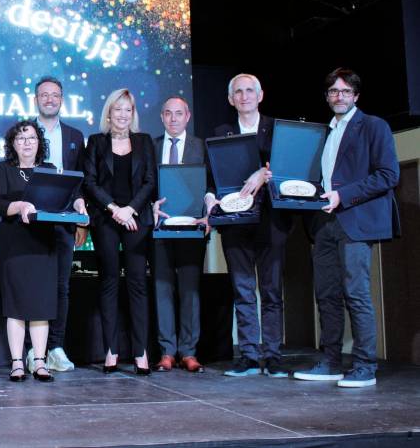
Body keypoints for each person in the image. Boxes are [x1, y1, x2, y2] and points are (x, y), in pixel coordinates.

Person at [293, 68, 399, 388]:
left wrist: (343, 195)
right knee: (326, 294)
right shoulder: (322, 133)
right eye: (333, 92)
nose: (338, 97)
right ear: (327, 97)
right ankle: (331, 361)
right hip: (323, 221)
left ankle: (365, 365)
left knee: (356, 294)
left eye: (344, 91)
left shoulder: (374, 126)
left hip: (356, 220)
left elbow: (388, 175)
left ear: (356, 95)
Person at [205, 73, 291, 378]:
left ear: (260, 94)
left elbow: (291, 168)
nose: (244, 96)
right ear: (230, 99)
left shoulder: (278, 130)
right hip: (236, 223)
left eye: (249, 90)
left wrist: (264, 173)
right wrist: (209, 198)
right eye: (238, 92)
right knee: (242, 291)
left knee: (271, 292)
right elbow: (212, 179)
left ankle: (274, 355)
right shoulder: (221, 133)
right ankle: (250, 356)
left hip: (272, 222)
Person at [0, 120, 87, 382]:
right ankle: (17, 363)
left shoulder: (48, 170)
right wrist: (19, 205)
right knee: (17, 306)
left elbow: (70, 195)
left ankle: (40, 363)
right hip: (16, 245)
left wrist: (80, 204)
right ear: (13, 144)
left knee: (42, 305)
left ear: (39, 142)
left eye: (31, 138)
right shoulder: (3, 170)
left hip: (45, 244)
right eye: (21, 139)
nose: (26, 143)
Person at [83, 88, 156, 375]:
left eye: (129, 109)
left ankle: (140, 352)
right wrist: (115, 209)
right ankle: (111, 350)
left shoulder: (144, 141)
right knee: (110, 283)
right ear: (109, 113)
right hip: (106, 219)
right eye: (118, 109)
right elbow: (90, 182)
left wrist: (131, 210)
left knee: (138, 283)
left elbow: (150, 181)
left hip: (136, 219)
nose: (123, 115)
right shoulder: (96, 142)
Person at [27, 76, 86, 373]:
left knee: (62, 286)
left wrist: (81, 216)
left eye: (55, 95)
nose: (49, 99)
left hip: (64, 221)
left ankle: (56, 347)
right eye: (44, 95)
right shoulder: (25, 131)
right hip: (32, 222)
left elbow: (80, 182)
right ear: (35, 99)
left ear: (62, 99)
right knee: (35, 285)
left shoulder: (76, 135)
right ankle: (32, 350)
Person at [151, 97, 207, 373]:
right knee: (162, 289)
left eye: (179, 114)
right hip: (161, 229)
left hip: (192, 228)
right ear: (162, 117)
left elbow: (211, 185)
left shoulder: (201, 147)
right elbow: (147, 185)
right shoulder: (152, 147)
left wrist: (209, 211)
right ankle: (167, 352)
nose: (173, 119)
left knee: (190, 291)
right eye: (168, 114)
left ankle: (189, 351)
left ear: (188, 116)